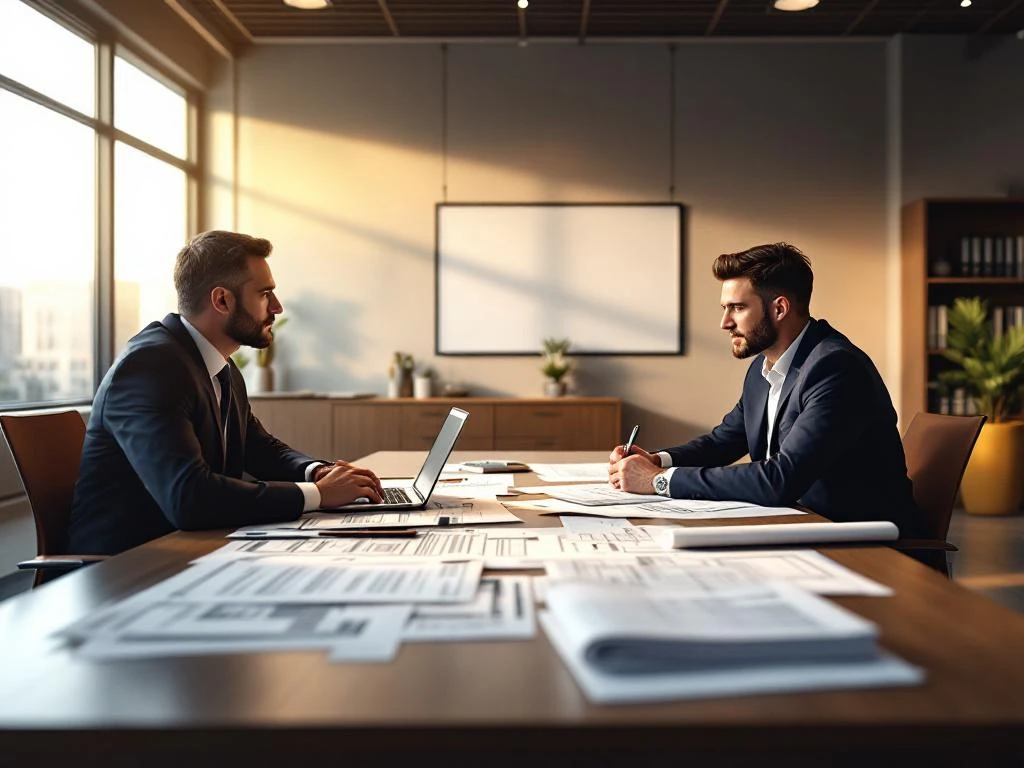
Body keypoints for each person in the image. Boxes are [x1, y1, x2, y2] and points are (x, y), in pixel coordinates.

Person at [69, 230, 383, 555]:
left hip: (192, 550)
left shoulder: (221, 367)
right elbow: (188, 496)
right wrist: (317, 494)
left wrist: (316, 471)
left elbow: (259, 448)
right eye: (265, 294)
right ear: (222, 300)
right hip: (128, 570)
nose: (277, 307)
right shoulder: (150, 367)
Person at [609, 242, 919, 537]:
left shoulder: (836, 368)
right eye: (724, 308)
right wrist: (658, 461)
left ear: (780, 308)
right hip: (799, 524)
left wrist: (659, 482)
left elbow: (780, 479)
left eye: (737, 307)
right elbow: (723, 441)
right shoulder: (764, 369)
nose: (724, 322)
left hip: (861, 543)